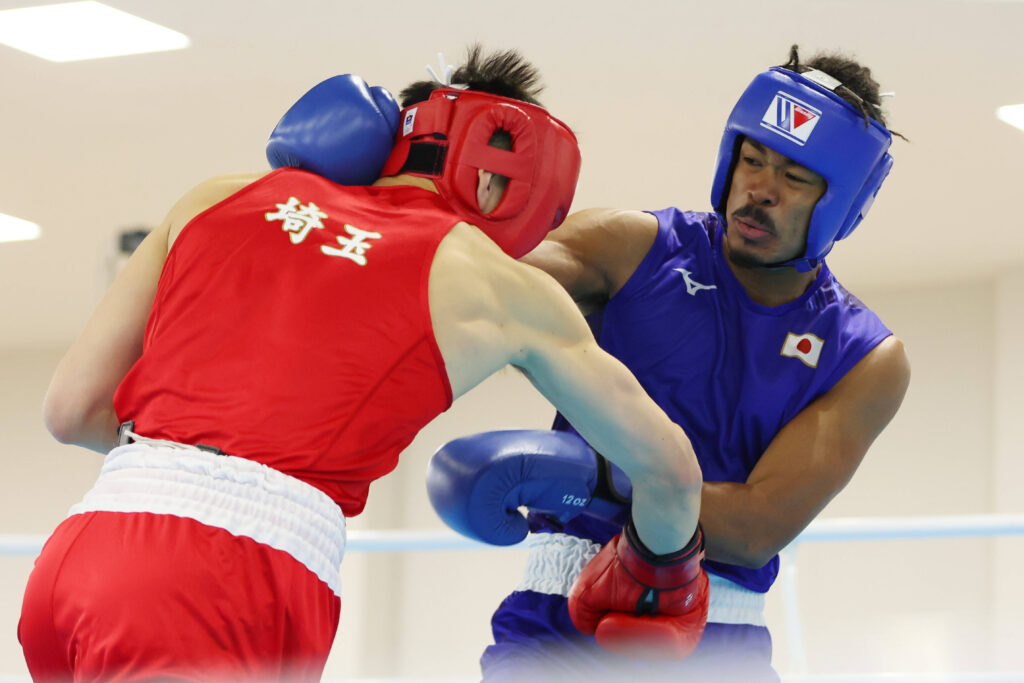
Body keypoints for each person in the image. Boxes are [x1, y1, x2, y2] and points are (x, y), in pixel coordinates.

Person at [18, 46, 708, 682]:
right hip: (223, 578)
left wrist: (191, 460)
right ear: (506, 179)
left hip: (81, 552)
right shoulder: (497, 284)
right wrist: (662, 575)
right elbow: (671, 469)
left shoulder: (217, 195)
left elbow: (71, 410)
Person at [425, 46, 912, 681]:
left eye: (794, 178)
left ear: (843, 202)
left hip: (717, 639)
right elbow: (480, 286)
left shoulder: (863, 356)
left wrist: (594, 481)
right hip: (558, 619)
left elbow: (757, 526)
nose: (759, 190)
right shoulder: (633, 249)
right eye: (752, 160)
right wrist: (429, 180)